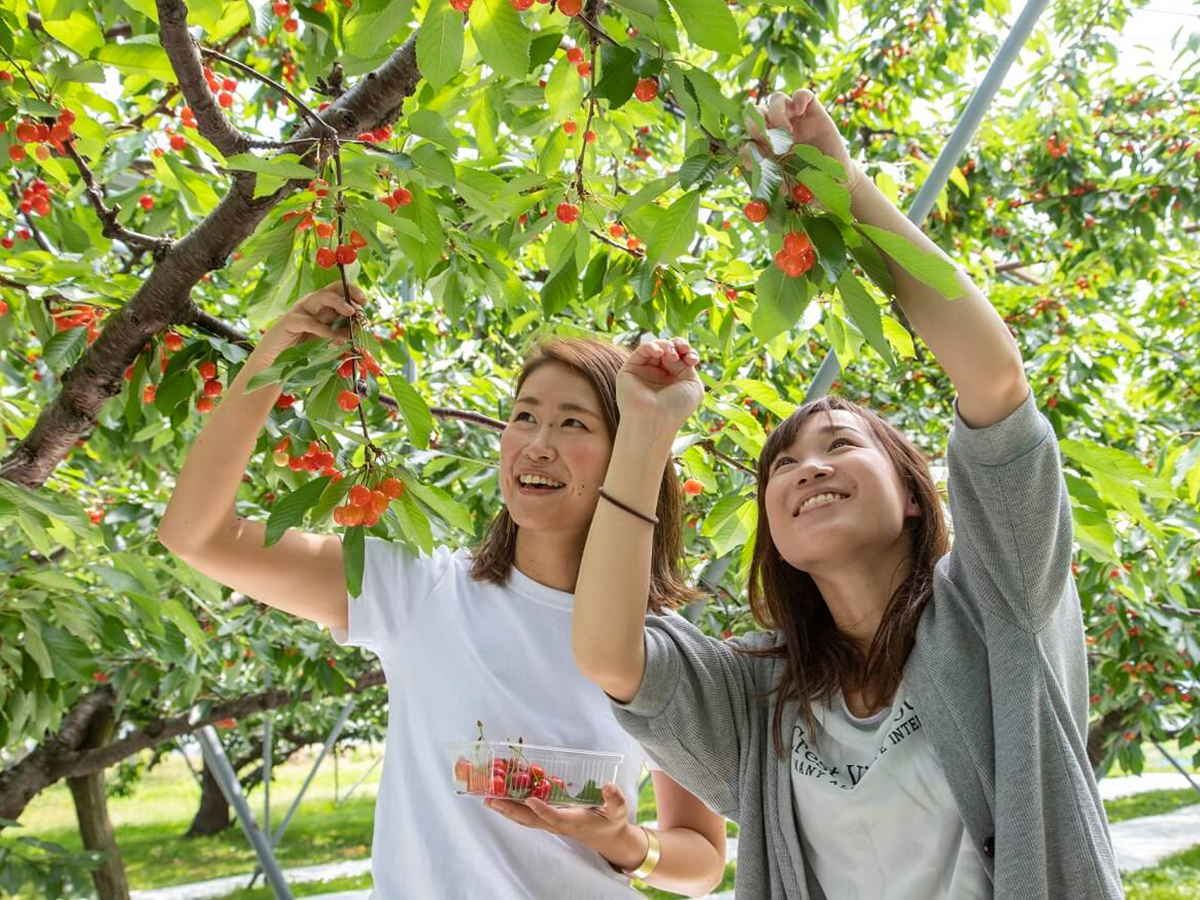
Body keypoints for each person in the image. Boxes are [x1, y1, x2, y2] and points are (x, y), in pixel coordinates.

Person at [570, 90, 1123, 899]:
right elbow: (608, 654)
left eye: (839, 445)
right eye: (781, 468)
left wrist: (841, 185)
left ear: (911, 493)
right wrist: (646, 432)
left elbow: (996, 380)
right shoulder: (763, 692)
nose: (807, 469)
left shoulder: (999, 601)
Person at [157, 291, 727, 899]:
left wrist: (622, 841)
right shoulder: (419, 591)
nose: (536, 443)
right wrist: (273, 356)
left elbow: (703, 863)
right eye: (524, 416)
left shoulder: (659, 650)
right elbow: (198, 535)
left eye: (573, 423)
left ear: (629, 454)